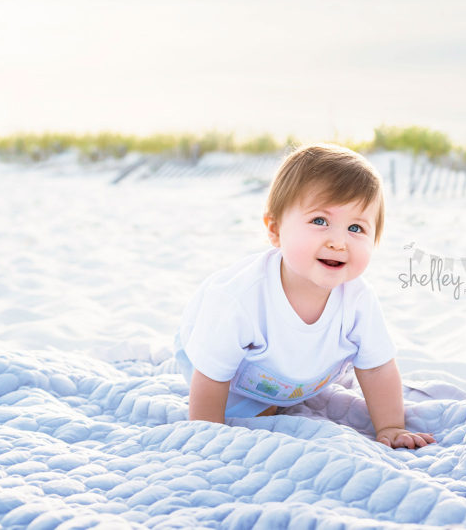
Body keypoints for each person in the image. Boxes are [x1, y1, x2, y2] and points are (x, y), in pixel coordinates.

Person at [174, 143, 435, 449]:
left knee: (287, 397)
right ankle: (260, 403)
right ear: (275, 230)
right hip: (216, 368)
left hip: (294, 372)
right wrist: (208, 434)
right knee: (248, 412)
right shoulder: (240, 300)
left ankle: (280, 396)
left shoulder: (358, 299)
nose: (338, 241)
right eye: (319, 221)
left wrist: (391, 426)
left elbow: (377, 367)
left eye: (356, 227)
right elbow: (211, 376)